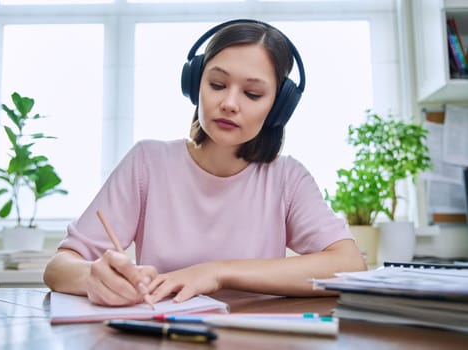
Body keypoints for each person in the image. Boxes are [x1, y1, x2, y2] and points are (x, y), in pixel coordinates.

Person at [43, 19, 366, 306]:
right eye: (217, 85)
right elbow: (58, 267)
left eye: (252, 94)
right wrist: (93, 278)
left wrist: (217, 273)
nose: (228, 103)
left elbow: (349, 266)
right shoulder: (148, 162)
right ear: (195, 83)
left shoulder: (287, 178)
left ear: (278, 107)